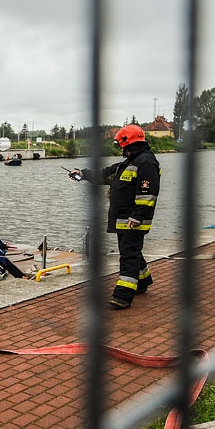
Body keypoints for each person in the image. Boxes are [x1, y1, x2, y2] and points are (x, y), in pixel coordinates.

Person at [70, 124, 161, 309]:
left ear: (128, 143)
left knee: (128, 255)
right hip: (124, 219)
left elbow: (148, 193)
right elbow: (105, 174)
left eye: (121, 144)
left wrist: (137, 216)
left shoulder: (146, 162)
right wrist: (82, 174)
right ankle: (143, 281)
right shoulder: (128, 163)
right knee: (132, 252)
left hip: (134, 220)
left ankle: (122, 296)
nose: (120, 148)